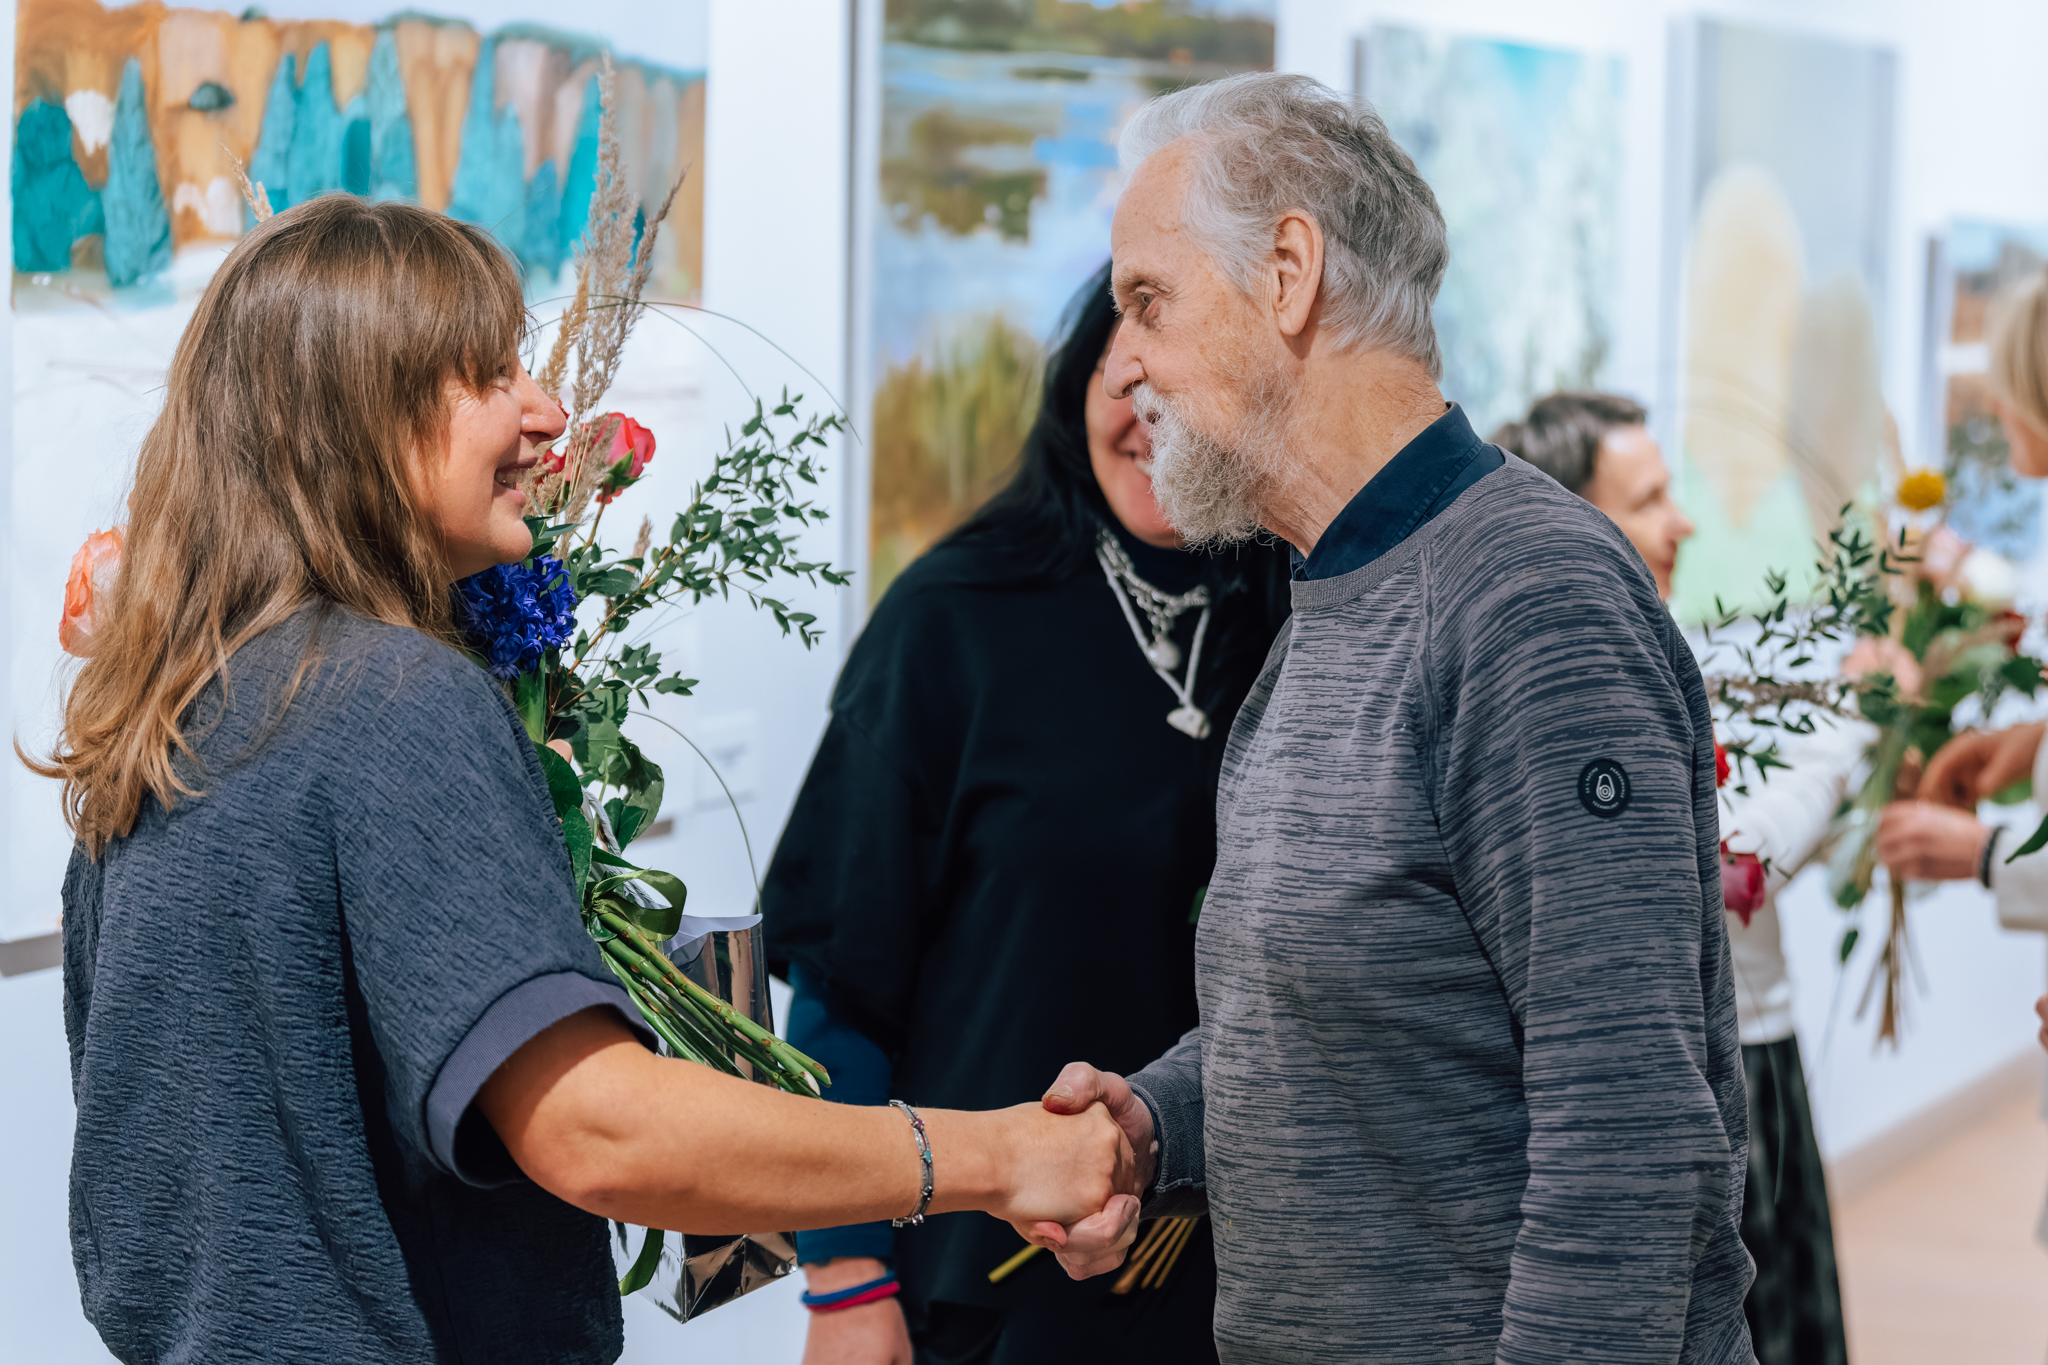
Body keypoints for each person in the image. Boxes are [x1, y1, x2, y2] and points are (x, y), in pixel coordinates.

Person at [25, 195, 1135, 1365]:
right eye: (489, 376)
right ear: (358, 415)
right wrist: (996, 1157)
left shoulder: (166, 718)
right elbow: (595, 1128)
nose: (548, 413)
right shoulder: (396, 701)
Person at [1029, 73, 1754, 1363]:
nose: (1121, 363)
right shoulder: (1334, 597)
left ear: (1287, 274)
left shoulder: (1529, 602)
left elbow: (1626, 1136)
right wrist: (1156, 1121)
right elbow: (1359, 1029)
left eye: (1147, 300)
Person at [762, 262, 1291, 1365]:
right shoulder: (951, 620)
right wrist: (845, 1275)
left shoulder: (1304, 624)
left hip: (1252, 1287)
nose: (1152, 420)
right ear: (1076, 383)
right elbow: (845, 984)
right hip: (989, 1283)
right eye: (1125, 379)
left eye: (1188, 384)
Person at [1496, 392, 1853, 1365]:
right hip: (1690, 1080)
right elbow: (1726, 868)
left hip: (1756, 1056)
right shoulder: (1576, 692)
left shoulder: (1659, 652)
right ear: (1572, 520)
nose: (1682, 522)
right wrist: (1854, 735)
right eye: (1649, 500)